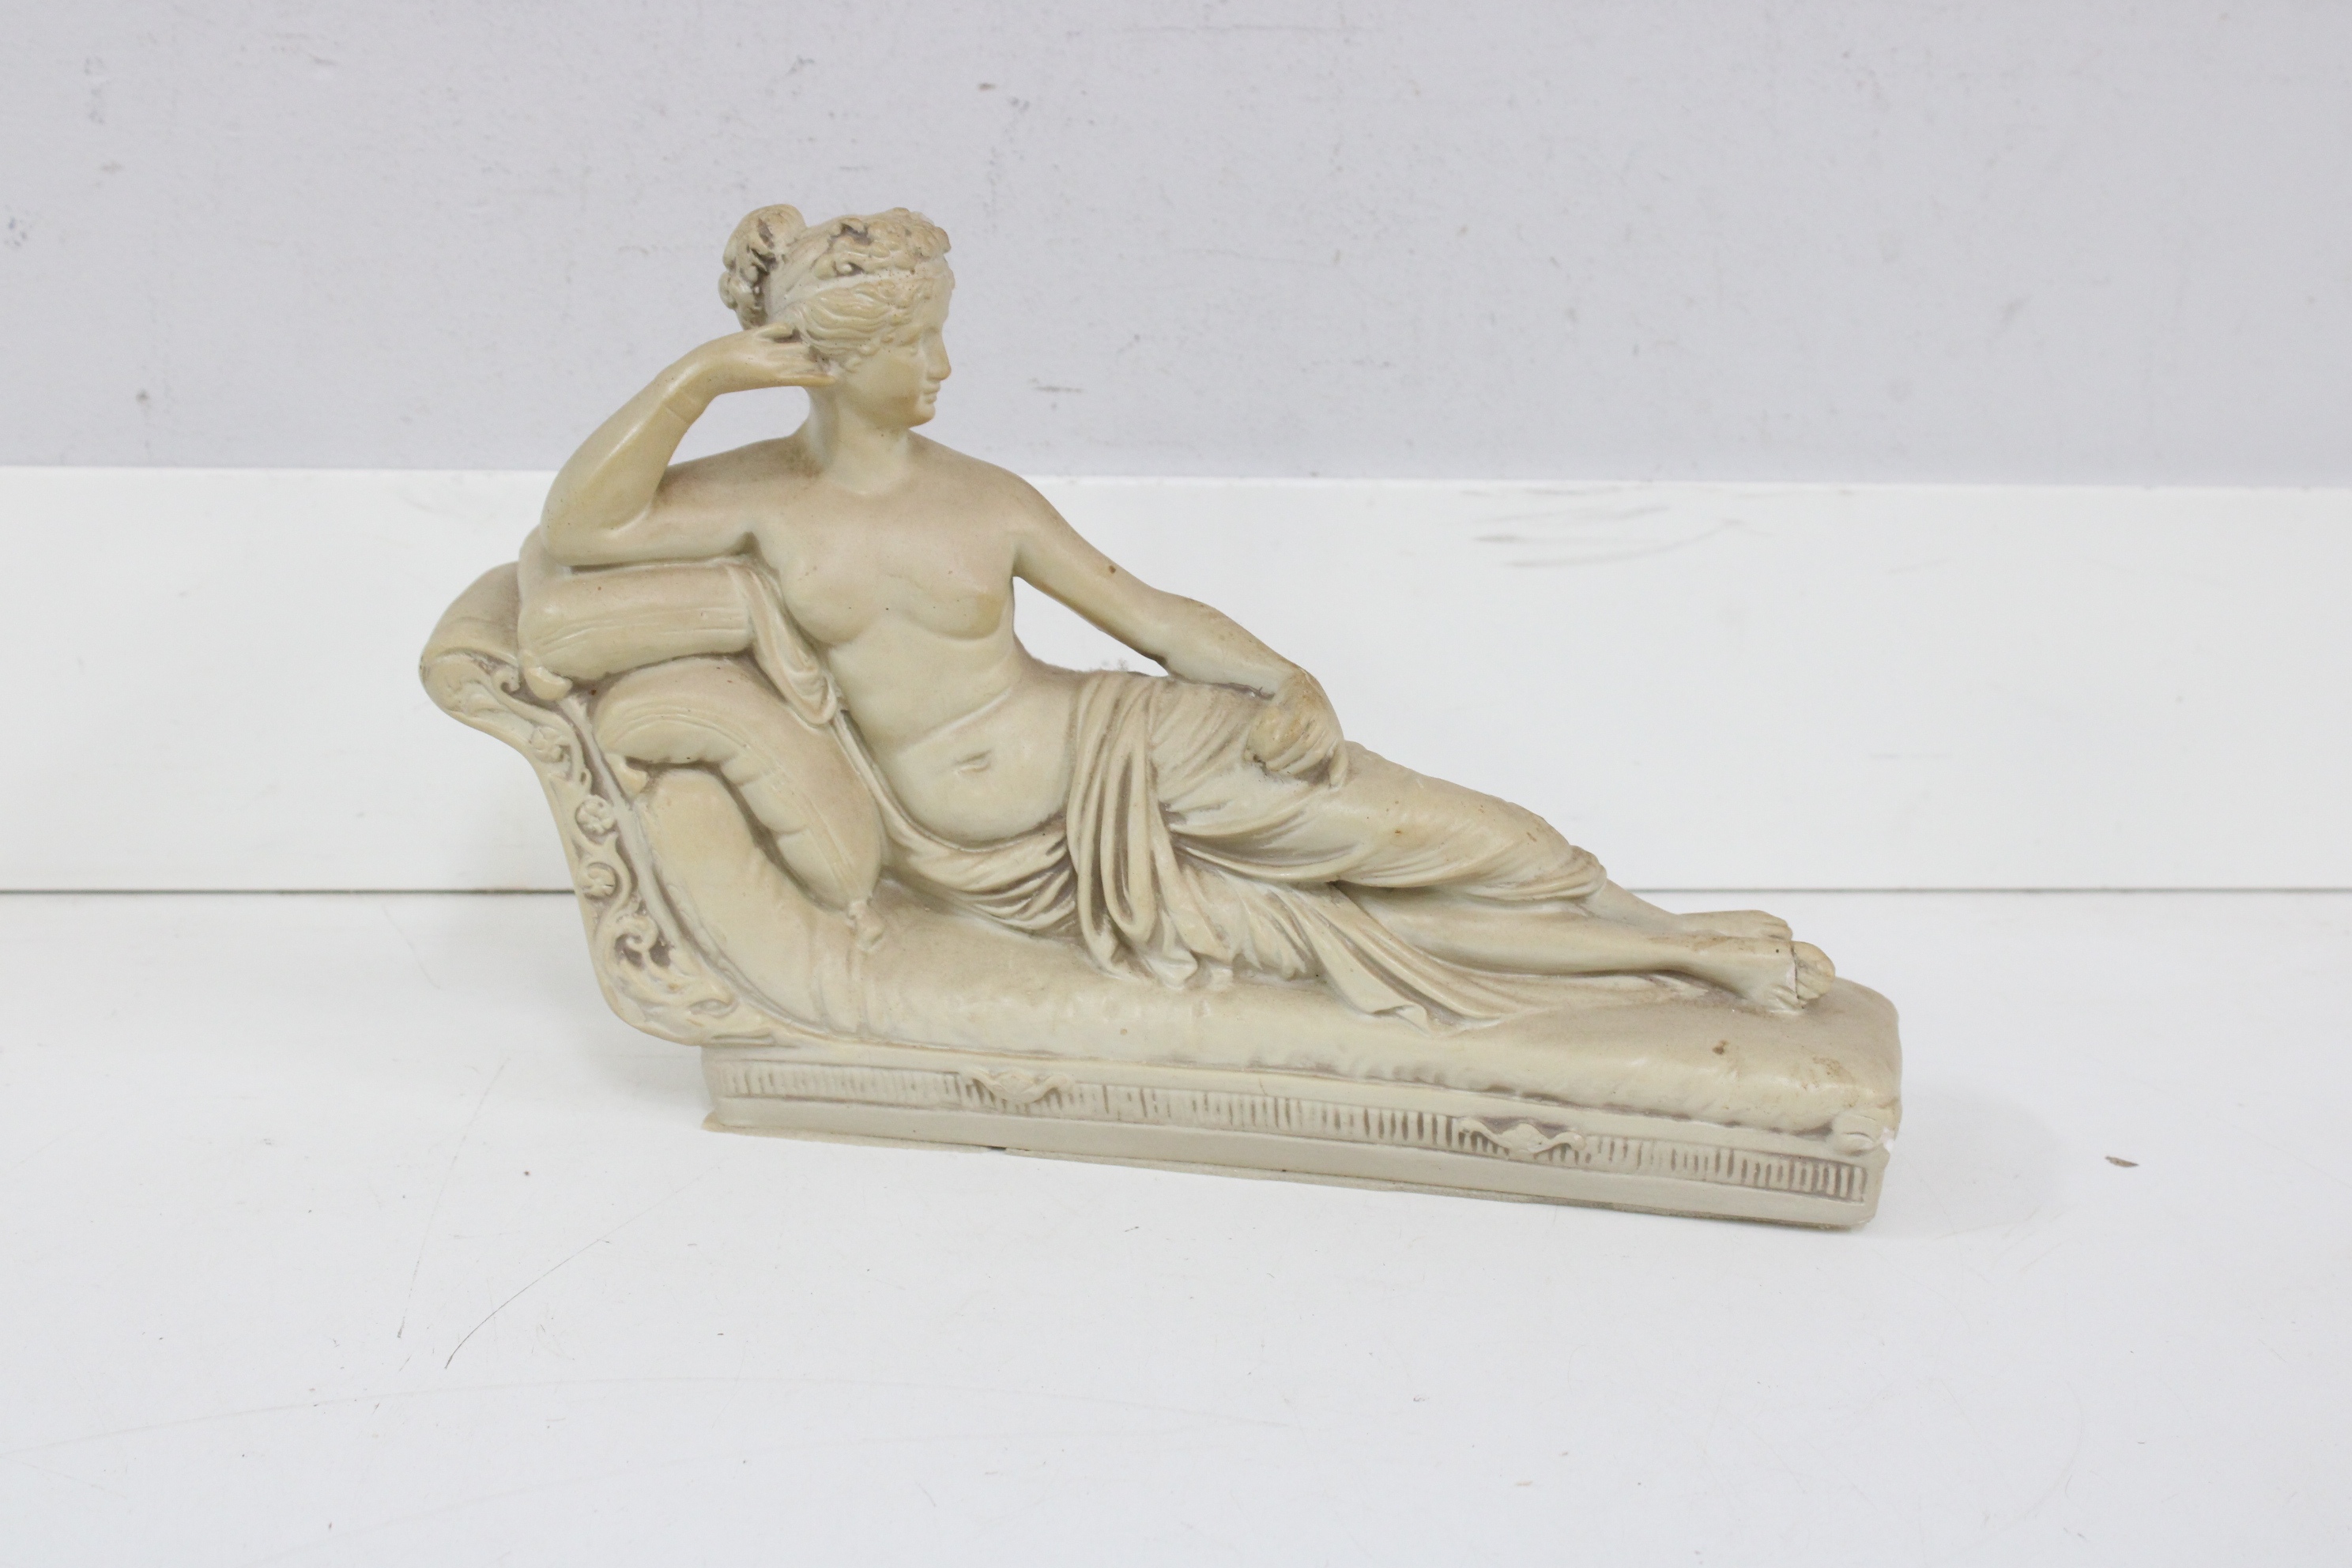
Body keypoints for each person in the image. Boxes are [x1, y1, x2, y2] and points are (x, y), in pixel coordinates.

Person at [536, 205, 1833, 1018]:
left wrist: (1282, 678)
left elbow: (1148, 616)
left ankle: (1665, 934)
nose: (942, 368)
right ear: (832, 359)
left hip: (1135, 745)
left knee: (1451, 839)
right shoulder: (761, 502)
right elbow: (586, 529)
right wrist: (700, 375)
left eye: (940, 337)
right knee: (1345, 931)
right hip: (1025, 840)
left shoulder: (984, 497)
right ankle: (1697, 961)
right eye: (912, 345)